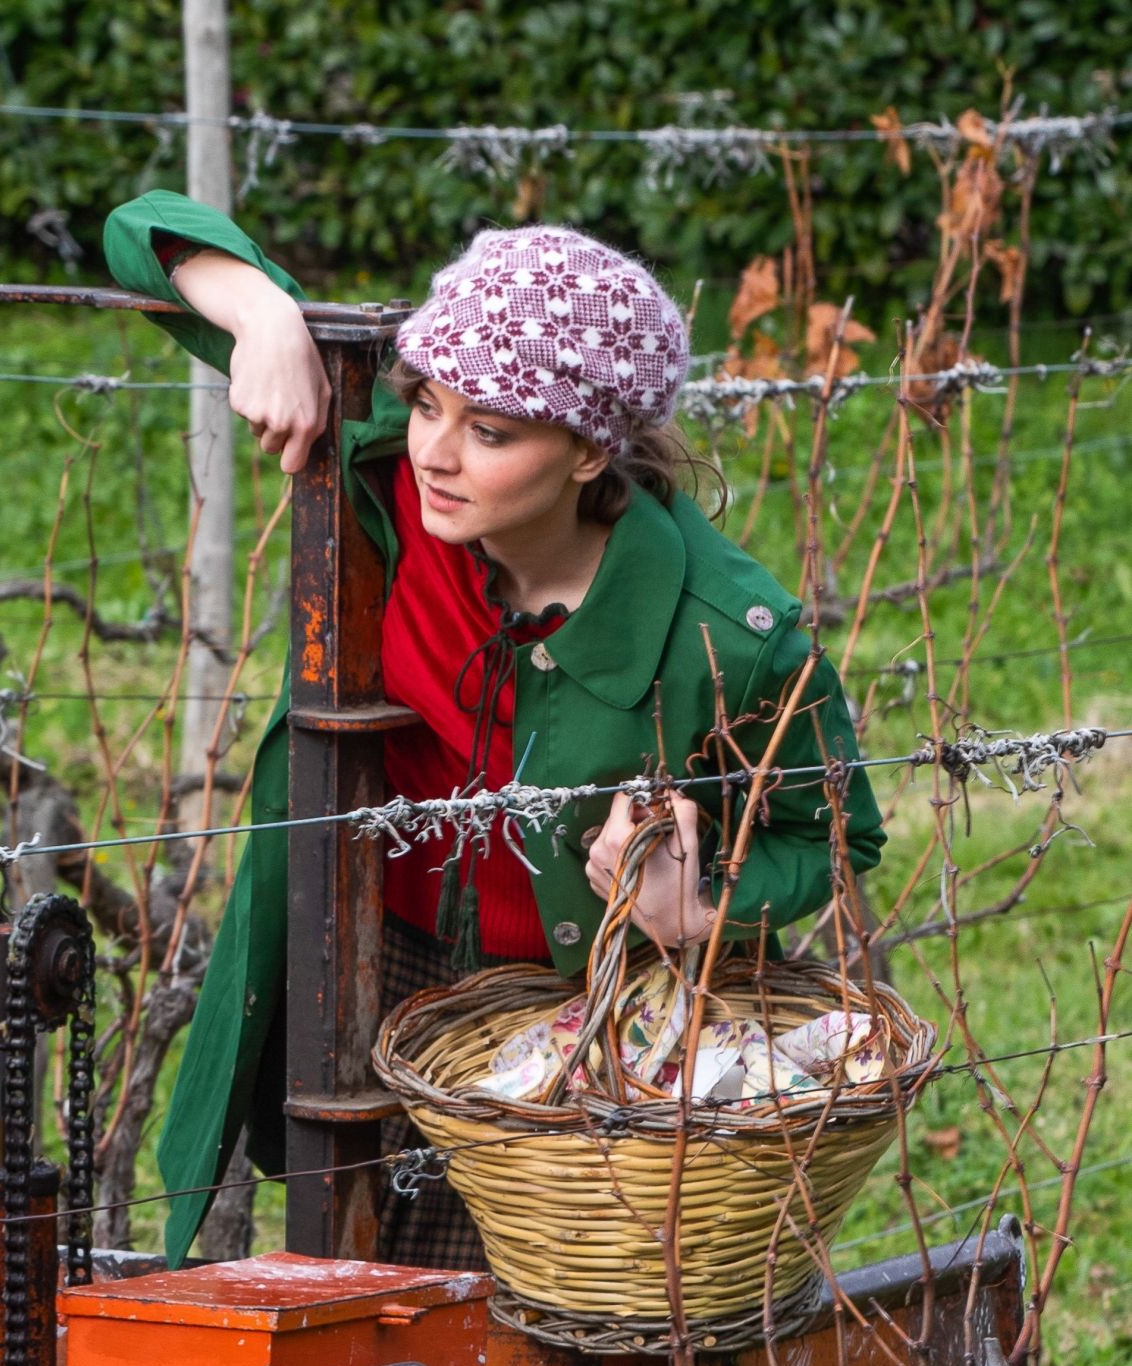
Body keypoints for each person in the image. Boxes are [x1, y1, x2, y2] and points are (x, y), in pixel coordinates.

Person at [123, 195, 885, 1267]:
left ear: (586, 452)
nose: (434, 449)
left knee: (504, 1310)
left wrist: (702, 902)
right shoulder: (402, 478)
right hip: (363, 949)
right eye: (425, 401)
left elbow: (836, 833)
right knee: (341, 1267)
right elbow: (140, 228)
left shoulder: (732, 635)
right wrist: (264, 320)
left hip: (563, 1017)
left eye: (487, 430)